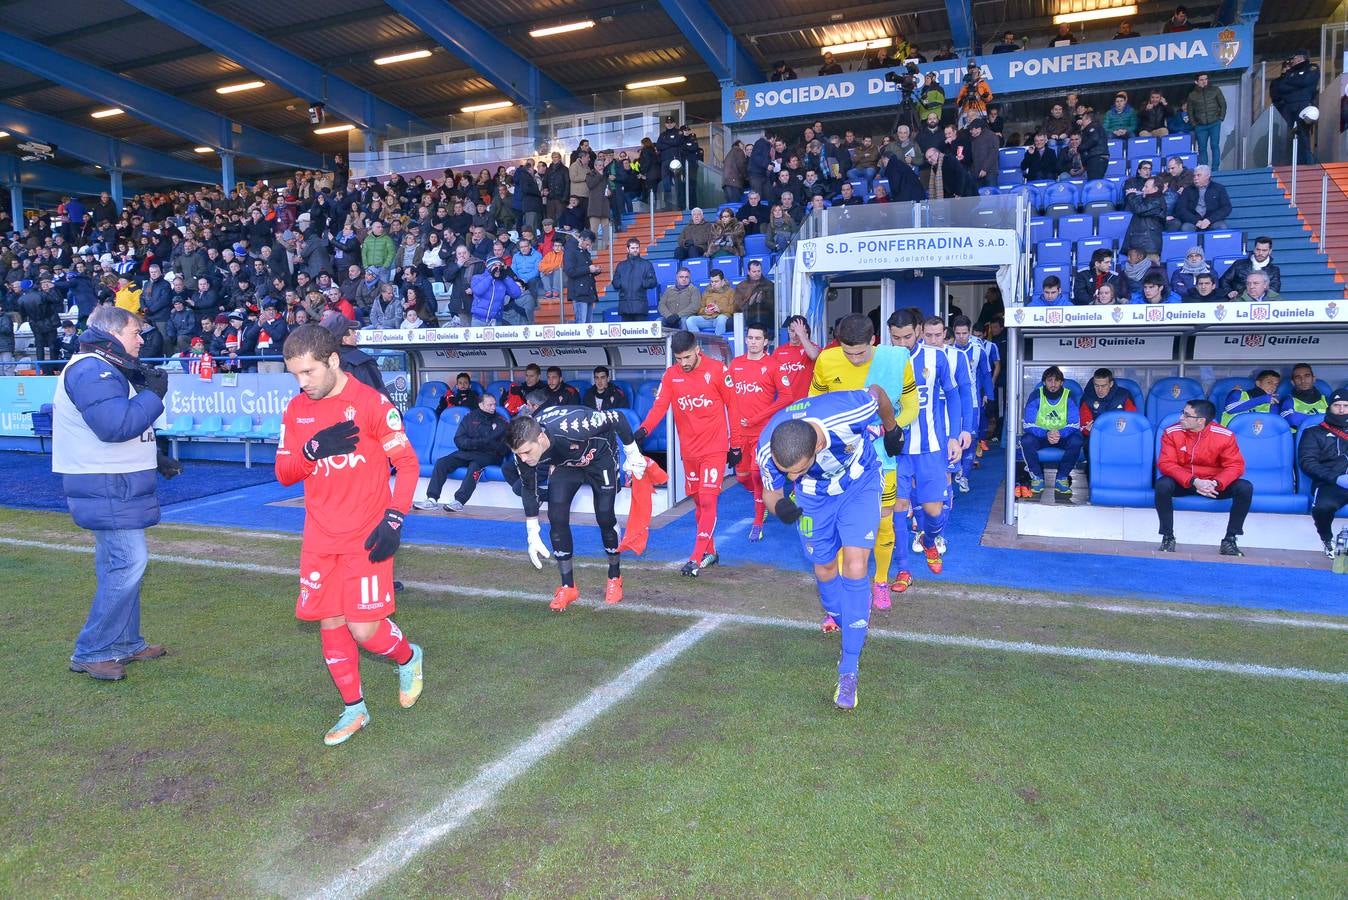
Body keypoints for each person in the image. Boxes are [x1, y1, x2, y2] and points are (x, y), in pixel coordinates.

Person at [275, 325, 423, 745]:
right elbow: (284, 474)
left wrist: (395, 519)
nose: (302, 383)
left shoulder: (372, 404)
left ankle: (409, 658)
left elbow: (408, 466)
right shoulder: (297, 410)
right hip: (320, 538)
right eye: (295, 375)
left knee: (365, 630)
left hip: (367, 536)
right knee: (331, 620)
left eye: (308, 373)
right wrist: (312, 449)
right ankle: (354, 709)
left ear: (333, 361)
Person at [759, 388, 903, 709]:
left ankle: (848, 669)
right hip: (813, 497)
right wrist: (781, 505)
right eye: (787, 472)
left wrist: (892, 429)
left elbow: (878, 395)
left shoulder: (848, 411)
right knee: (824, 567)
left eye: (796, 469)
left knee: (854, 566)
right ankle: (842, 616)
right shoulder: (769, 446)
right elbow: (771, 490)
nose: (790, 476)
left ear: (818, 445)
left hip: (859, 481)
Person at [54, 306, 175, 682]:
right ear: (112, 334)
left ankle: (124, 642)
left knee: (119, 565)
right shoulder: (93, 369)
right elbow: (114, 425)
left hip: (112, 480)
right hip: (106, 482)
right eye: (135, 332)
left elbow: (113, 425)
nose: (142, 339)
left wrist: (152, 455)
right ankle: (93, 650)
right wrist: (154, 396)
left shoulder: (101, 368)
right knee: (128, 563)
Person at [508, 405, 645, 610]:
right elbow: (529, 488)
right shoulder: (523, 451)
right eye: (519, 454)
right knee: (557, 516)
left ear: (542, 438)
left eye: (527, 452)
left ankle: (615, 576)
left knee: (605, 517)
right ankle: (568, 586)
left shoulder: (576, 424)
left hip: (600, 457)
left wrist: (632, 453)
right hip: (566, 464)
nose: (524, 458)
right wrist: (532, 532)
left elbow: (617, 416)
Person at [635, 330, 734, 576]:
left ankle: (696, 557)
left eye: (688, 357)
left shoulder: (717, 370)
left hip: (715, 448)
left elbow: (734, 406)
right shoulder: (671, 375)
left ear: (697, 349)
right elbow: (660, 406)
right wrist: (644, 430)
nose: (684, 363)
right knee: (699, 501)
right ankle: (710, 552)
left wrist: (737, 444)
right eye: (679, 359)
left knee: (709, 499)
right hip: (689, 450)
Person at [1155, 399, 1252, 556]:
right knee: (1162, 484)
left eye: (1187, 415)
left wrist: (1215, 482)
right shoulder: (1171, 432)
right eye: (1182, 413)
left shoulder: (1225, 436)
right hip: (1185, 483)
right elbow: (1166, 464)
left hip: (1212, 486)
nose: (1181, 418)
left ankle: (1230, 540)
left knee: (1245, 487)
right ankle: (1168, 537)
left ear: (1201, 420)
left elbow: (1236, 466)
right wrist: (1194, 481)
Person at [728, 323, 796, 542]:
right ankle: (761, 498)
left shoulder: (774, 366)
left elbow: (787, 396)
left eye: (758, 338)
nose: (753, 342)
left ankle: (758, 521)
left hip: (761, 432)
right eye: (750, 338)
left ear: (766, 342)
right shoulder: (736, 364)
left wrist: (758, 417)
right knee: (742, 477)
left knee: (757, 475)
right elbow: (727, 394)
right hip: (740, 433)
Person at [415, 392, 512, 512]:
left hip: (489, 456)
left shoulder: (501, 422)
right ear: (481, 405)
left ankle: (459, 501)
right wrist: (484, 441)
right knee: (441, 463)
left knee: (475, 465)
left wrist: (480, 443)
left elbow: (504, 447)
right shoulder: (469, 418)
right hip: (466, 452)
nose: (493, 407)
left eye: (494, 405)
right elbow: (459, 440)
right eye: (490, 405)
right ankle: (431, 499)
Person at [1297, 388, 1348, 557]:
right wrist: (1337, 478)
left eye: (1346, 406)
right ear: (1329, 407)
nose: (1342, 410)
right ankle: (1327, 540)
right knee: (1323, 507)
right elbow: (1308, 463)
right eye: (1337, 405)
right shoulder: (1313, 432)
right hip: (1331, 483)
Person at [1020, 366, 1081, 498]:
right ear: (1044, 382)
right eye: (1049, 380)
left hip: (1062, 436)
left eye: (1057, 381)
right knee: (1026, 440)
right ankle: (1037, 477)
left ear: (1062, 382)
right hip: (1041, 436)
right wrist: (1046, 433)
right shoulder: (1036, 395)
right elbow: (1028, 424)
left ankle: (1061, 478)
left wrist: (1060, 433)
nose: (1053, 384)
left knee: (1076, 440)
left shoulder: (1069, 395)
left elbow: (1075, 423)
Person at [949, 315, 992, 493]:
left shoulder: (978, 350)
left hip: (972, 401)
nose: (961, 336)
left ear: (970, 331)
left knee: (970, 439)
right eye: (957, 333)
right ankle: (951, 471)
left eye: (964, 333)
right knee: (952, 437)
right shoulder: (947, 351)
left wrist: (988, 394)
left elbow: (986, 373)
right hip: (951, 402)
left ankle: (964, 475)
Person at [1270, 51, 1320, 163]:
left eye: (1295, 57)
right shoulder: (1290, 72)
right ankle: (1292, 162)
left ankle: (1307, 163)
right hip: (1288, 108)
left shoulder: (1312, 68)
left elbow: (1306, 81)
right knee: (1288, 137)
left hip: (1303, 106)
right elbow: (1281, 88)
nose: (1293, 60)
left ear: (1301, 57)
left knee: (1303, 134)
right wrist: (1297, 82)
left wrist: (1292, 81)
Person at [1078, 367, 1137, 456]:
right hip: (1096, 437)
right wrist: (1088, 430)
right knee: (1090, 444)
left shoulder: (1124, 395)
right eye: (1096, 385)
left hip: (1120, 435)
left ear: (1111, 384)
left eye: (1103, 386)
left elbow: (1133, 419)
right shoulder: (1087, 398)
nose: (1100, 390)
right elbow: (1084, 425)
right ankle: (1093, 470)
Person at [612, 237, 658, 322]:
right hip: (624, 305)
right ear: (627, 249)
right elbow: (615, 282)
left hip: (640, 305)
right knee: (626, 334)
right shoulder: (621, 265)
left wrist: (641, 283)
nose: (635, 250)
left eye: (637, 248)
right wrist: (622, 283)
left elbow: (653, 281)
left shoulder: (646, 264)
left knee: (640, 334)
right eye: (632, 248)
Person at [1187, 73, 1226, 171]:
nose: (1204, 81)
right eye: (1201, 79)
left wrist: (1221, 118)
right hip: (1200, 126)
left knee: (1214, 145)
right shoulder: (1192, 95)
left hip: (1214, 123)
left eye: (1206, 79)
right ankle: (1205, 170)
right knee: (1202, 148)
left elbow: (1223, 105)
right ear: (1196, 82)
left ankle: (1215, 169)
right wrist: (1194, 124)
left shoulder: (1215, 90)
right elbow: (1190, 112)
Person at [1174, 165, 1230, 232]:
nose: (1195, 178)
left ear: (1207, 176)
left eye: (1198, 175)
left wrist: (1209, 220)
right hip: (1193, 221)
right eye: (1194, 176)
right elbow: (1181, 209)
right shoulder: (1187, 190)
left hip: (1212, 220)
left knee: (1221, 227)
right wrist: (1196, 221)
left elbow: (1226, 207)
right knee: (1185, 228)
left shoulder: (1219, 188)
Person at [563, 230, 601, 324]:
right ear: (582, 239)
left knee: (588, 324)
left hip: (588, 291)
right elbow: (570, 271)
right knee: (581, 324)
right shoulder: (570, 251)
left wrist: (595, 271)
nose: (589, 247)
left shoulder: (585, 252)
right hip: (579, 293)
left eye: (590, 245)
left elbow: (585, 270)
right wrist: (588, 269)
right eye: (587, 244)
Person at [1282, 363, 1329, 431]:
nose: (1303, 380)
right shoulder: (1289, 401)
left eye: (1307, 376)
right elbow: (1292, 419)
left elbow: (1339, 418)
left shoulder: (1327, 401)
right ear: (1293, 382)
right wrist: (1324, 421)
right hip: (1301, 439)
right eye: (1298, 377)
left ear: (1313, 379)